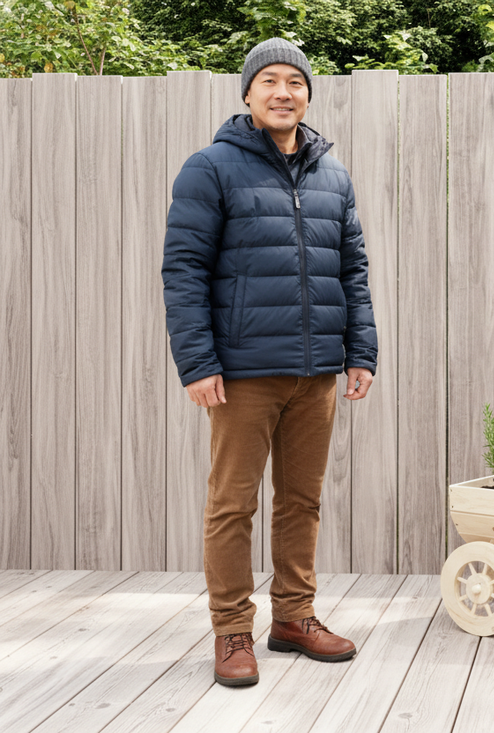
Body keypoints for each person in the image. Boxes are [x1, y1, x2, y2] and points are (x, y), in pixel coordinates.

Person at [162, 37, 377, 687]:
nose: (284, 92)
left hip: (315, 372)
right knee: (232, 504)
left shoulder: (332, 175)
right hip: (243, 372)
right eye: (270, 81)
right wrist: (198, 362)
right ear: (248, 94)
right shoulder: (211, 168)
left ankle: (294, 616)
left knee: (303, 501)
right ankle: (233, 630)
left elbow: (353, 269)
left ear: (308, 94)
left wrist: (360, 351)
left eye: (296, 82)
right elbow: (184, 271)